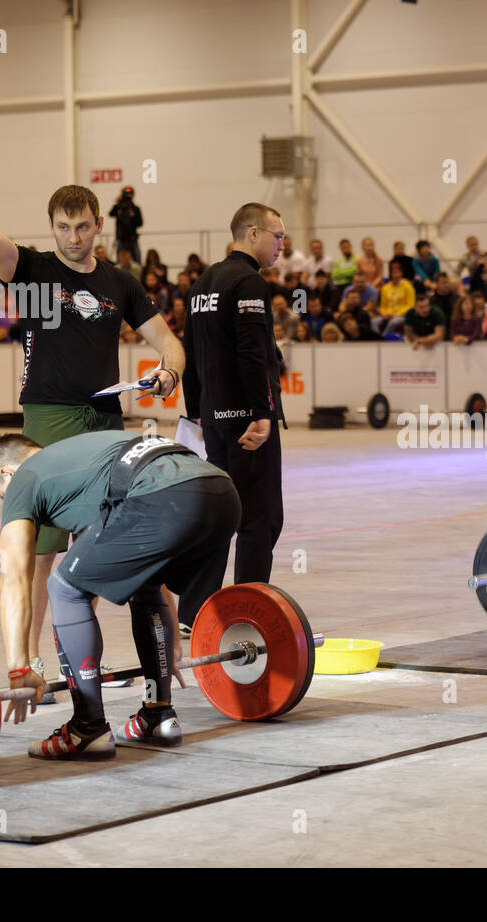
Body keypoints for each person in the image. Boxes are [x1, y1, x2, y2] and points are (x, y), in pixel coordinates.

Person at [0, 161, 184, 694]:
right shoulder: (33, 269)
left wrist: (167, 374)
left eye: (83, 226)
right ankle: (27, 662)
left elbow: (171, 344)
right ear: (52, 227)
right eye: (64, 227)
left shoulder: (121, 284)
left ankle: (74, 652)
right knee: (42, 552)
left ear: (98, 225)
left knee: (94, 545)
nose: (73, 238)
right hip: (48, 417)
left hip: (106, 420)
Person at [0, 430, 239, 755]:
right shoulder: (81, 461)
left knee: (64, 588)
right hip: (220, 491)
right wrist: (167, 647)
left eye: (2, 496)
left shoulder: (25, 476)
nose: (10, 504)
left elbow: (15, 577)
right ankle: (158, 714)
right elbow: (151, 571)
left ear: (7, 473)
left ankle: (87, 729)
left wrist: (19, 667)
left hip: (163, 497)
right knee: (143, 586)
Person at [180, 202, 286, 638]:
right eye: (278, 236)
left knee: (221, 514)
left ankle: (191, 611)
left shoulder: (203, 282)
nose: (282, 244)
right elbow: (252, 353)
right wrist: (263, 414)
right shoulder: (248, 281)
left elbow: (190, 354)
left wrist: (197, 413)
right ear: (253, 233)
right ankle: (251, 608)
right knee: (259, 518)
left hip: (215, 420)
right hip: (246, 422)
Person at [108, 186, 144, 264]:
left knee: (137, 259)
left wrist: (133, 217)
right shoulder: (119, 207)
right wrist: (117, 203)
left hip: (132, 238)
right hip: (121, 237)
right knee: (119, 260)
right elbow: (111, 214)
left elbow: (140, 223)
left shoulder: (135, 209)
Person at [378, 262, 416, 332]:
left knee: (393, 322)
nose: (395, 275)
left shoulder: (408, 286)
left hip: (402, 315)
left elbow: (411, 306)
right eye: (393, 273)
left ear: (401, 273)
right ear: (391, 274)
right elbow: (382, 306)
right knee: (374, 322)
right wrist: (385, 314)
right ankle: (375, 339)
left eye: (397, 273)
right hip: (387, 314)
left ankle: (384, 339)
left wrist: (397, 314)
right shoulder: (385, 288)